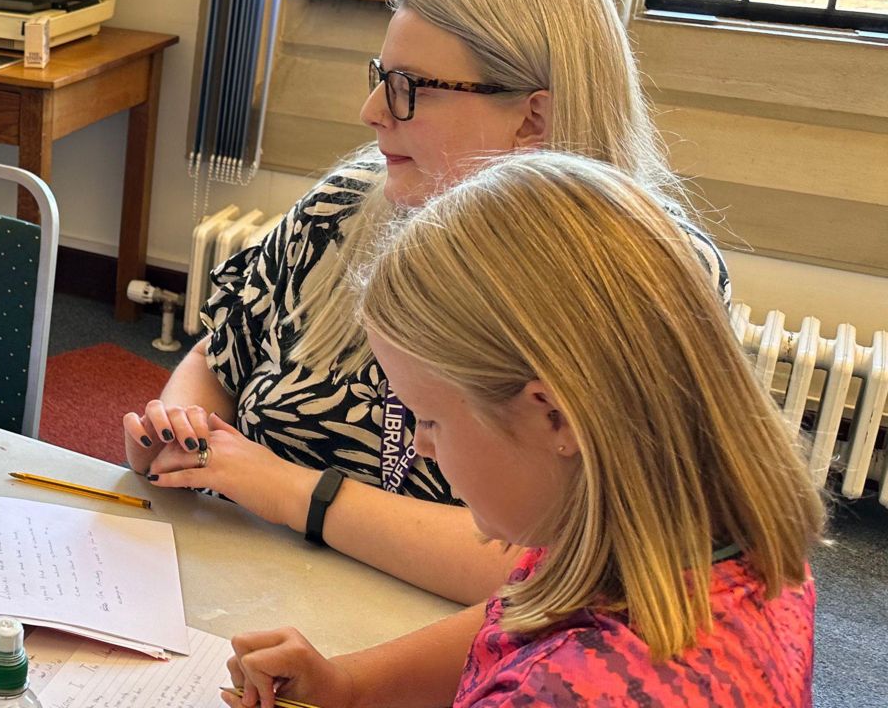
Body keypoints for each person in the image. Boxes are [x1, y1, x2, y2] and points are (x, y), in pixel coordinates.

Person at [122, 0, 730, 604]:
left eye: (411, 87)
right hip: (238, 577)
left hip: (450, 640)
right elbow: (222, 356)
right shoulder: (348, 204)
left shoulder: (651, 275)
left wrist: (292, 493)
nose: (372, 110)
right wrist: (181, 433)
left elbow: (587, 567)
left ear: (533, 118)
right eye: (380, 76)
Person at [222, 154, 820, 708]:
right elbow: (514, 619)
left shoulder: (573, 689)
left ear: (554, 415)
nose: (418, 444)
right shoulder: (703, 537)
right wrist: (349, 686)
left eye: (428, 418)